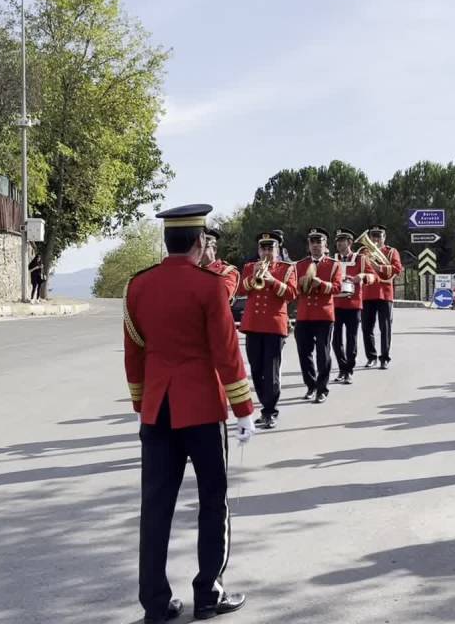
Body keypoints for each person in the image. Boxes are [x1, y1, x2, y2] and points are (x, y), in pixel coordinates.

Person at [123, 204, 252, 621]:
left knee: (155, 508)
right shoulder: (210, 286)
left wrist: (142, 403)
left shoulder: (137, 286)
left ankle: (156, 604)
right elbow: (227, 353)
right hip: (201, 409)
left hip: (157, 411)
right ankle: (208, 592)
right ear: (200, 242)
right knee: (214, 503)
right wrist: (244, 408)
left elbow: (134, 354)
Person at [237, 232, 297, 429]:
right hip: (253, 325)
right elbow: (240, 291)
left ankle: (270, 411)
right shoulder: (249, 267)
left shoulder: (287, 268)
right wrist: (254, 277)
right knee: (256, 370)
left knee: (270, 372)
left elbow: (292, 293)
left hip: (273, 325)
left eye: (270, 248)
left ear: (277, 249)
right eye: (263, 248)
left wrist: (272, 281)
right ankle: (265, 405)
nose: (266, 252)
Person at [294, 228, 344, 404]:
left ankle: (322, 389)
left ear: (325, 245)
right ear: (308, 245)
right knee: (304, 353)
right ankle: (311, 385)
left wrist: (321, 284)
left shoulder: (334, 264)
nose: (316, 246)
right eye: (312, 242)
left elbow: (338, 288)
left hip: (324, 314)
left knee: (323, 354)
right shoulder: (299, 265)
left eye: (319, 242)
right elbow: (293, 291)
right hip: (304, 315)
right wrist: (301, 284)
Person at [360, 224, 404, 369]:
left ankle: (384, 357)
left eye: (379, 236)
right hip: (367, 293)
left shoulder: (391, 252)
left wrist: (380, 268)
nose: (376, 239)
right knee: (367, 327)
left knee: (385, 328)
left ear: (384, 237)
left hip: (384, 294)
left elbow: (398, 268)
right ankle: (371, 357)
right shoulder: (364, 252)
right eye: (373, 236)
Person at [332, 229, 366, 384]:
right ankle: (341, 368)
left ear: (350, 242)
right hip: (335, 304)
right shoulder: (332, 259)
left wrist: (362, 277)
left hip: (353, 304)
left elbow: (373, 276)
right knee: (336, 340)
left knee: (351, 339)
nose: (339, 244)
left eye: (343, 240)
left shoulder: (360, 259)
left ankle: (349, 370)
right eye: (338, 241)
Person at [202, 228, 240, 296]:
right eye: (197, 247)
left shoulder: (228, 271)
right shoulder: (191, 270)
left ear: (214, 250)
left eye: (204, 247)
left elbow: (224, 295)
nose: (199, 251)